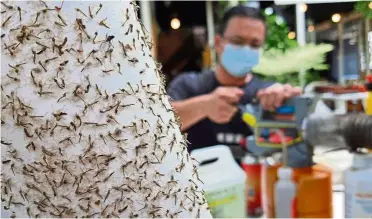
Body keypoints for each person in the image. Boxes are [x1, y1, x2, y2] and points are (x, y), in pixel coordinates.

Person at [167, 6, 302, 151]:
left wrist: (290, 105)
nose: (246, 50)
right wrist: (204, 106)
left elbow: (293, 141)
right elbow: (159, 123)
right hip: (198, 172)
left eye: (255, 44)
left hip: (254, 172)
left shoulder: (267, 94)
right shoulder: (188, 85)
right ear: (219, 43)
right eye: (238, 41)